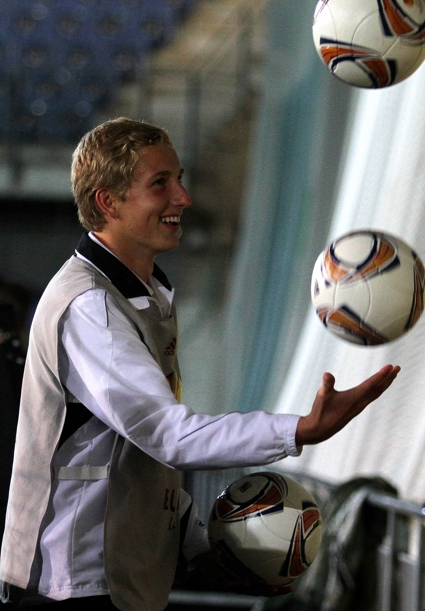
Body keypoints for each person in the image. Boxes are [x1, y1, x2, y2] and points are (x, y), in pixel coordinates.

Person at [0, 118, 400, 611]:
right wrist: (300, 429)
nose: (183, 198)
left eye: (179, 178)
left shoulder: (145, 293)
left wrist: (197, 543)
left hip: (119, 580)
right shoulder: (90, 307)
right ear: (108, 202)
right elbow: (168, 434)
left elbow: (138, 460)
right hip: (75, 585)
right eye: (160, 184)